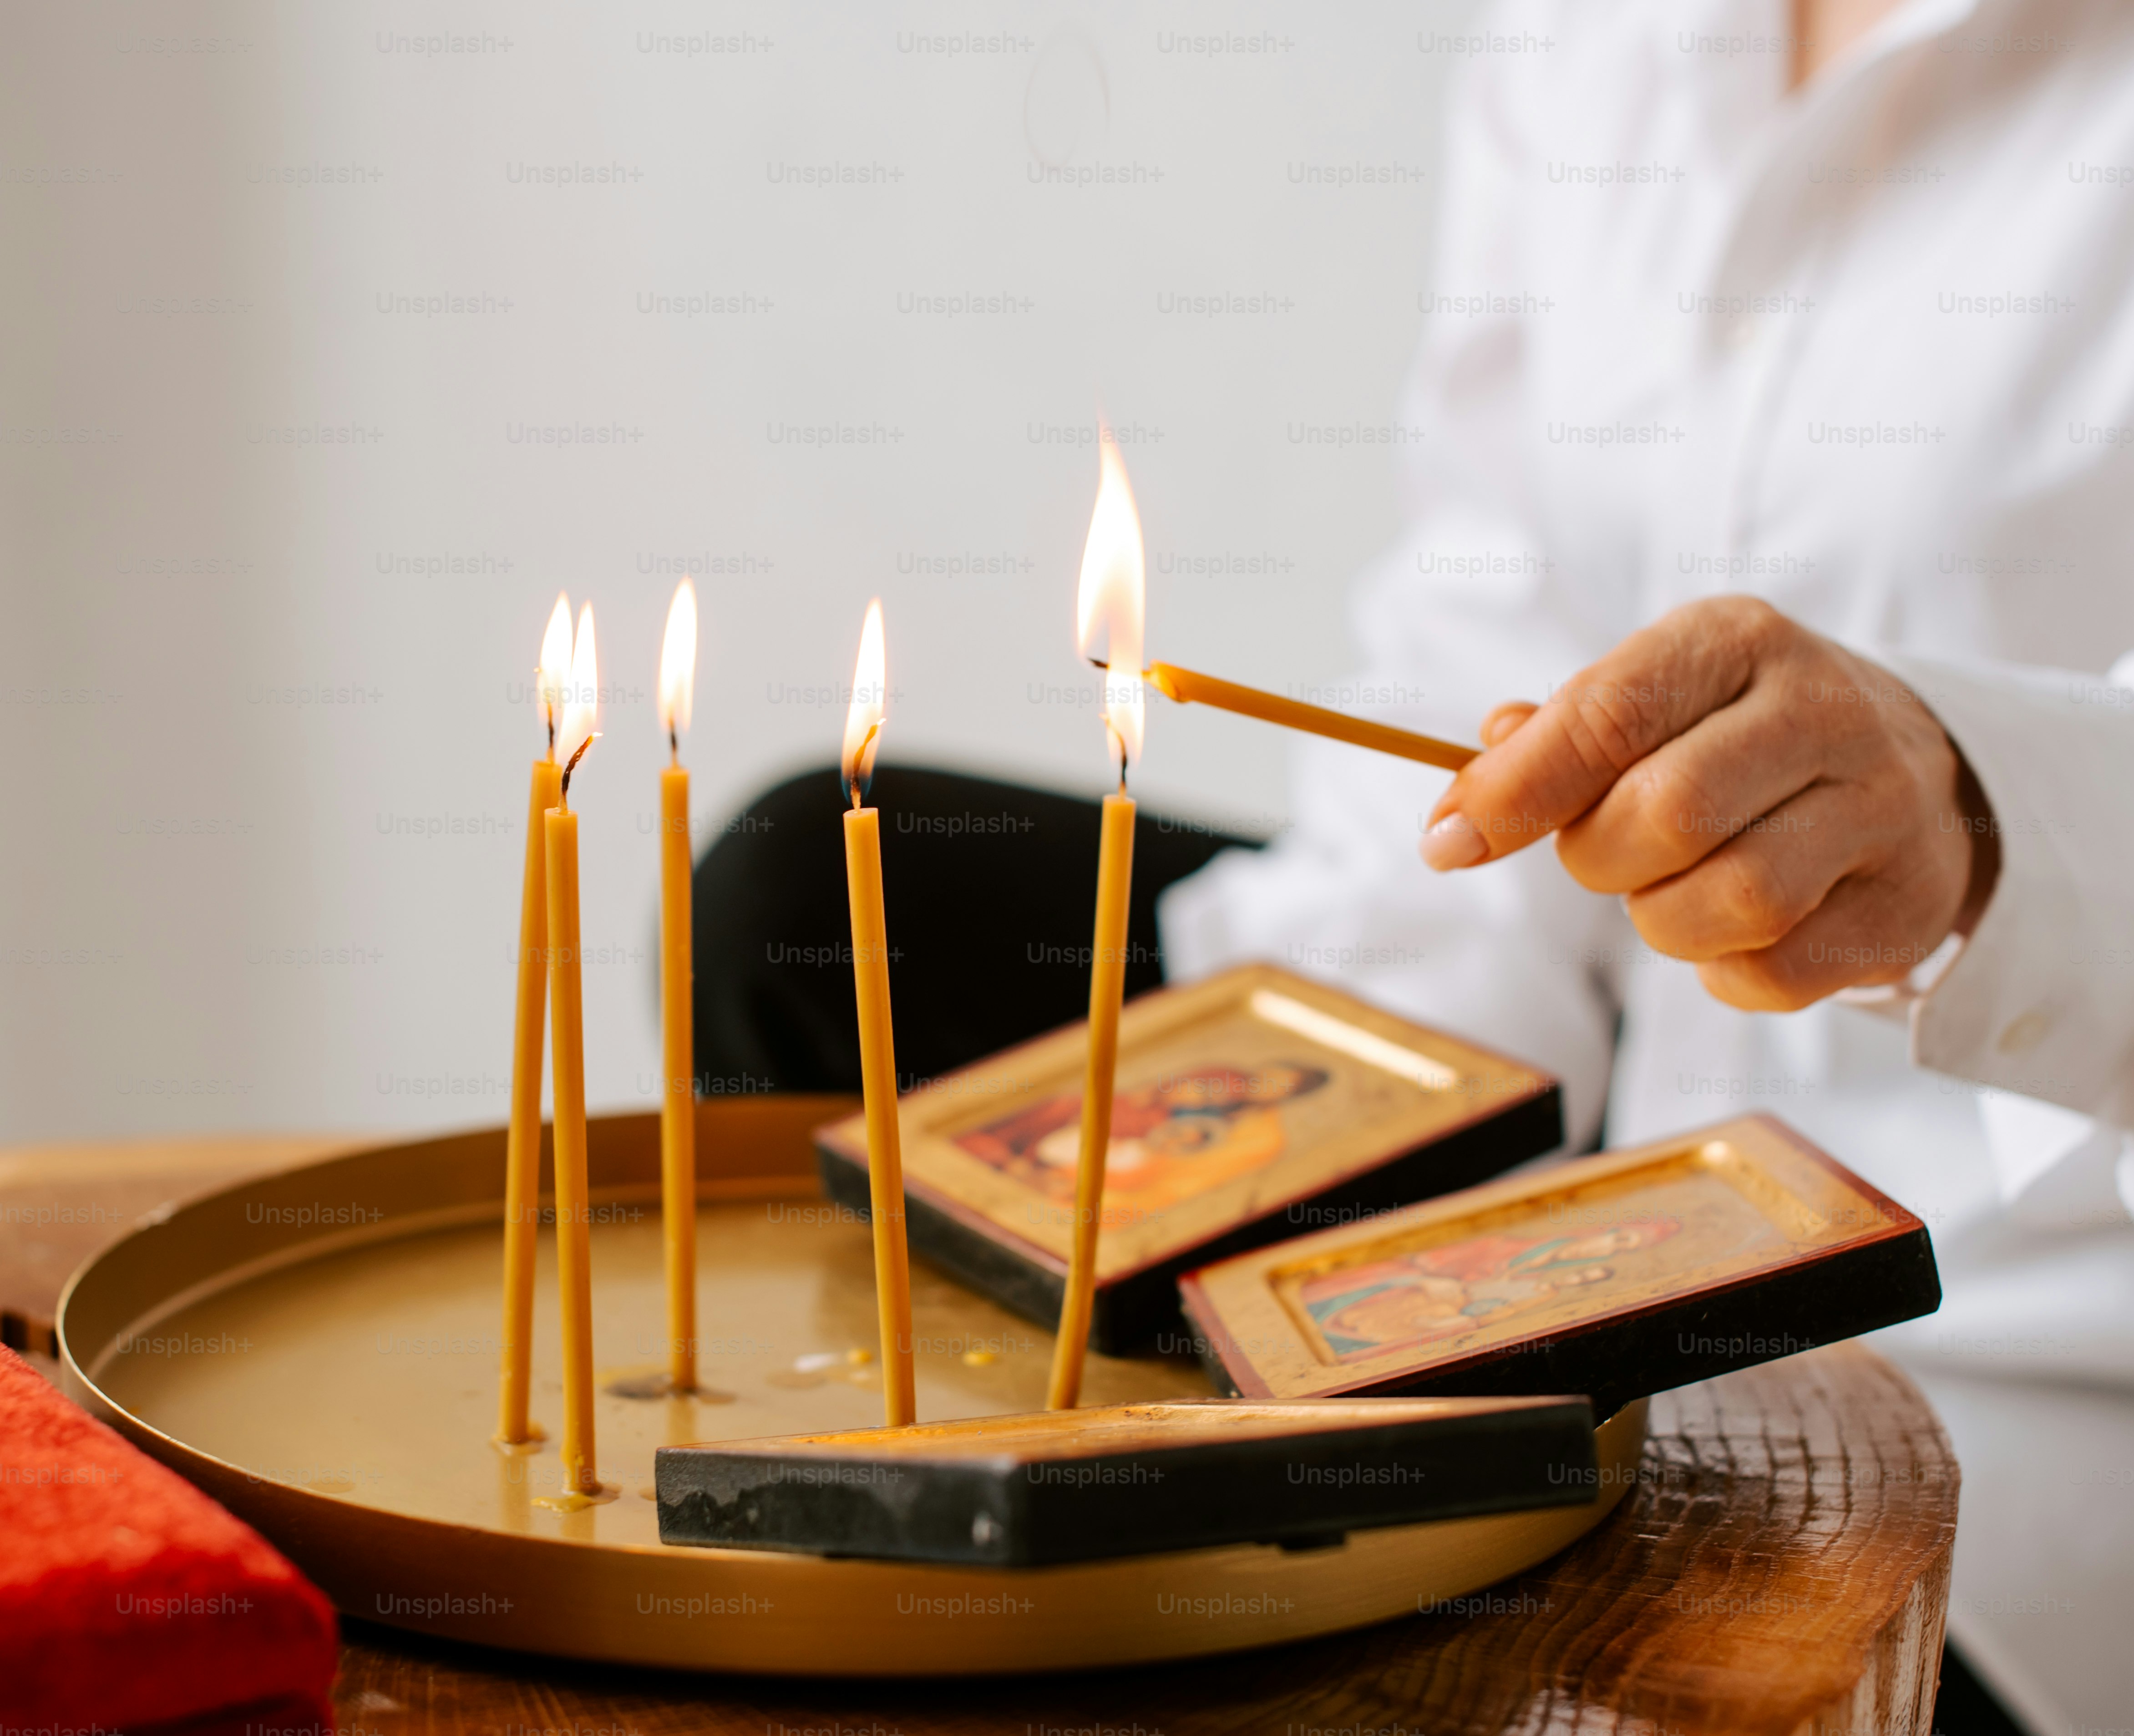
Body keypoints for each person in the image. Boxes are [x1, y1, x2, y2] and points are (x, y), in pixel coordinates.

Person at [696, 2, 2132, 1728]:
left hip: (2016, 1335)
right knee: (811, 898)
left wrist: (1971, 821)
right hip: (1624, 1168)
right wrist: (1328, 1183)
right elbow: (1491, 612)